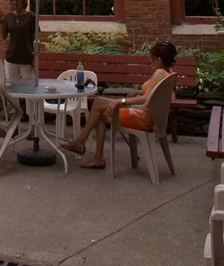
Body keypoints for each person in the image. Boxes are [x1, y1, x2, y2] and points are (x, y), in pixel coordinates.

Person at [64, 40, 177, 169]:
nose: (150, 60)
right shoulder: (168, 72)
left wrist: (120, 101)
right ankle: (96, 156)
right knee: (100, 113)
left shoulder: (159, 73)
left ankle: (81, 142)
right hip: (151, 117)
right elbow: (153, 93)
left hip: (143, 118)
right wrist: (137, 92)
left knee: (98, 102)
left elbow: (145, 99)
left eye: (152, 57)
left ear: (159, 59)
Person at [0, 0, 36, 82]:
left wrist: (35, 58)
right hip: (11, 57)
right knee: (11, 85)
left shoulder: (31, 17)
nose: (14, 2)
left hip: (26, 57)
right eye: (12, 0)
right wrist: (1, 22)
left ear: (23, 1)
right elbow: (3, 36)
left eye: (17, 0)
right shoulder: (8, 17)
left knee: (28, 85)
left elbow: (36, 38)